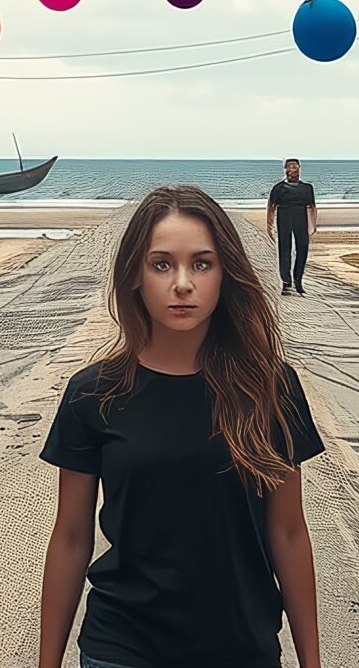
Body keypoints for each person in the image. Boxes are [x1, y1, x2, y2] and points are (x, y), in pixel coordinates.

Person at [39, 185, 324, 668]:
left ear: (225, 274)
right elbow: (70, 536)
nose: (183, 283)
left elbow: (290, 532)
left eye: (202, 264)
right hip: (123, 648)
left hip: (242, 648)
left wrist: (312, 662)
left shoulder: (271, 388)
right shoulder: (93, 394)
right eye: (162, 264)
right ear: (135, 275)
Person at [264, 159, 317, 297]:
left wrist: (313, 225)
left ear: (299, 169)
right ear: (285, 170)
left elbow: (312, 207)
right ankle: (286, 283)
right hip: (284, 215)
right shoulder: (278, 188)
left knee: (303, 248)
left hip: (300, 215)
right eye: (289, 167)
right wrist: (269, 225)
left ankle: (298, 281)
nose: (292, 170)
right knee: (284, 249)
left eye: (295, 167)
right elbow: (271, 207)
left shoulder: (307, 188)